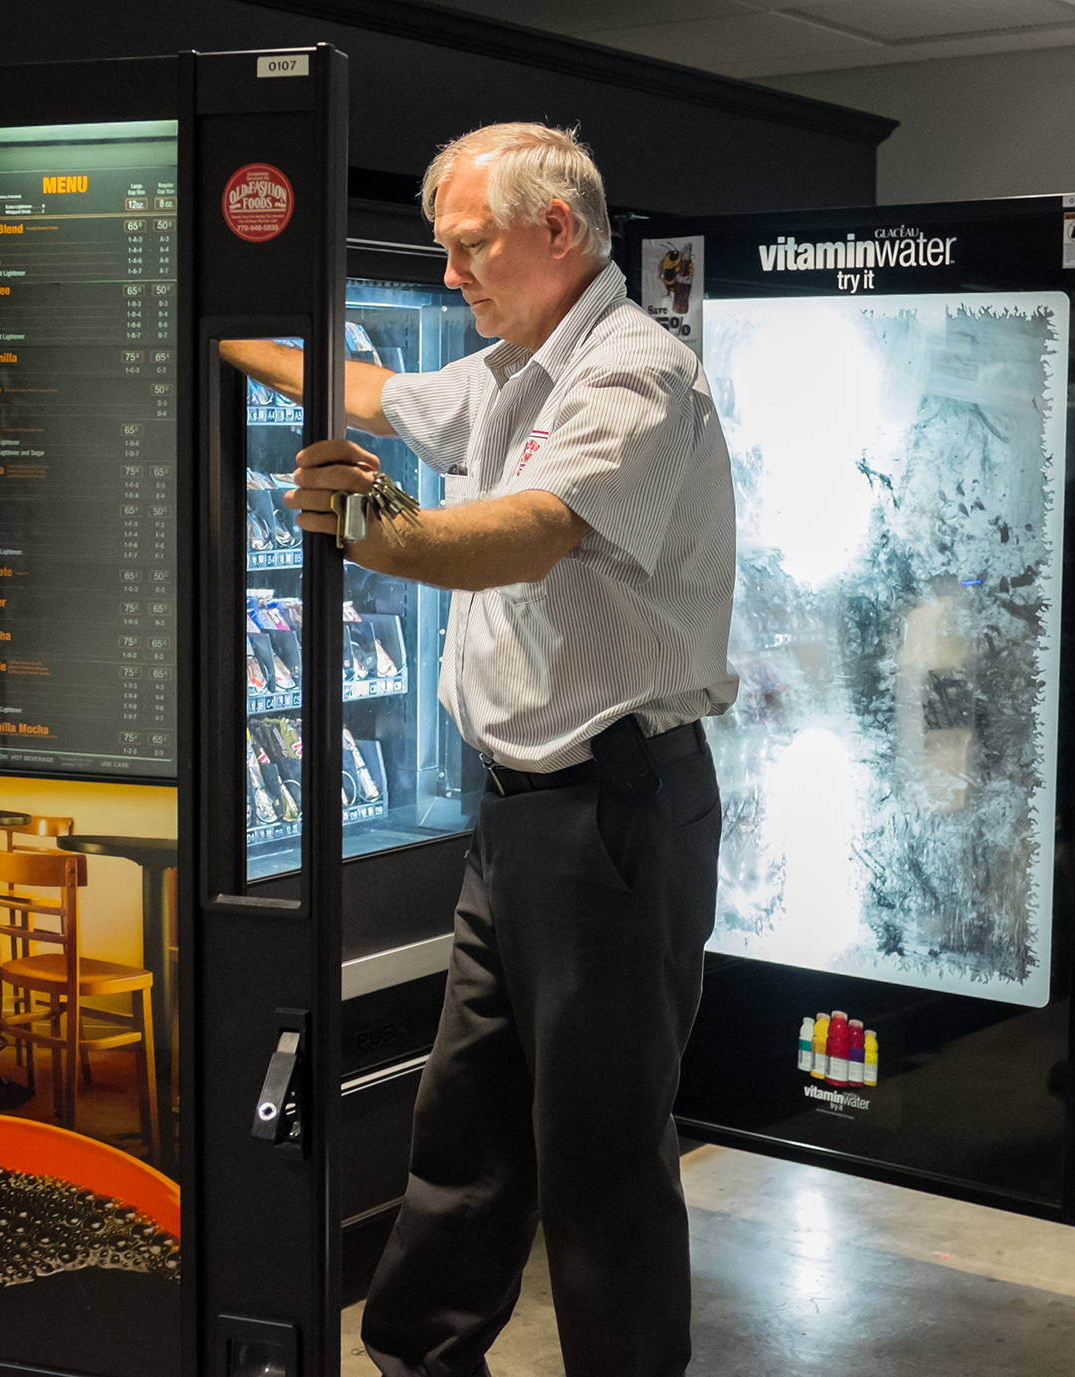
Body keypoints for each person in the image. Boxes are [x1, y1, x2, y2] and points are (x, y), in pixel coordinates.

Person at [222, 123, 737, 1377]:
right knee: (465, 1133)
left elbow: (526, 530)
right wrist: (215, 319)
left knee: (602, 1161)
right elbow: (374, 393)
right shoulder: (517, 368)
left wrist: (375, 528)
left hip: (612, 818)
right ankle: (419, 1360)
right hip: (518, 824)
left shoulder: (634, 373)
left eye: (467, 247)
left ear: (556, 230)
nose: (449, 273)